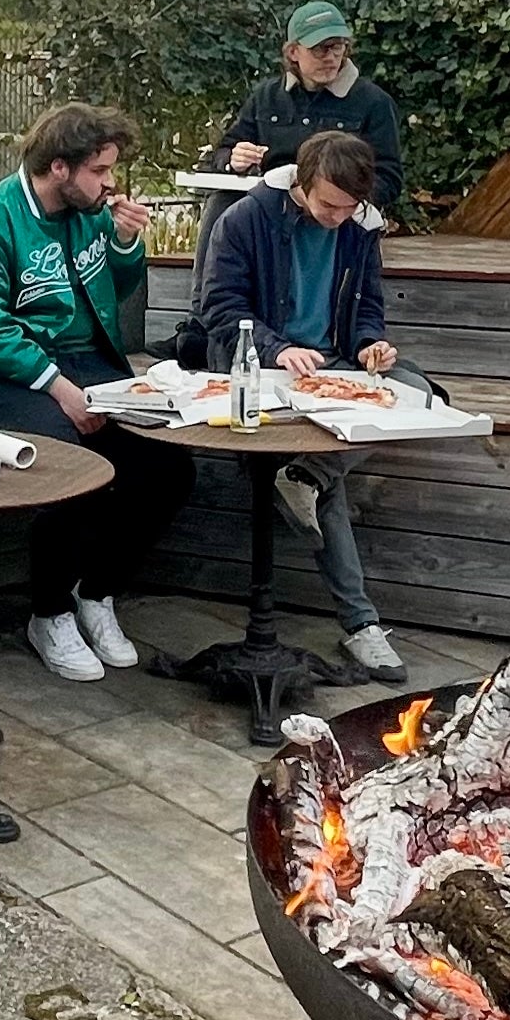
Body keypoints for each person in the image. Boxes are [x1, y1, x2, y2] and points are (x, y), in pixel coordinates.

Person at [0, 103, 193, 682]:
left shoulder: (89, 214)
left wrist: (125, 243)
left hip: (90, 366)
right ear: (60, 167)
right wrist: (59, 389)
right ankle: (49, 612)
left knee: (169, 469)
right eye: (100, 170)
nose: (110, 183)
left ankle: (97, 593)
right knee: (73, 466)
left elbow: (114, 289)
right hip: (3, 375)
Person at [185, 131, 415, 684]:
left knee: (418, 394)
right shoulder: (245, 219)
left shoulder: (360, 227)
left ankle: (306, 476)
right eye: (329, 205)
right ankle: (361, 623)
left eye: (350, 207)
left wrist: (370, 345)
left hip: (334, 366)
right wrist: (277, 349)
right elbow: (218, 309)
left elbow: (367, 307)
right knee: (323, 479)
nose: (339, 217)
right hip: (255, 368)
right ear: (302, 184)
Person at [214, 0, 405, 210]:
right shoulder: (267, 96)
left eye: (337, 47)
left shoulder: (374, 102)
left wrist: (335, 200)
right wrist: (235, 160)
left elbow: (388, 178)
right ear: (293, 52)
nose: (330, 57)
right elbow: (223, 152)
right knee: (221, 202)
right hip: (269, 206)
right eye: (319, 49)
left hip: (338, 213)